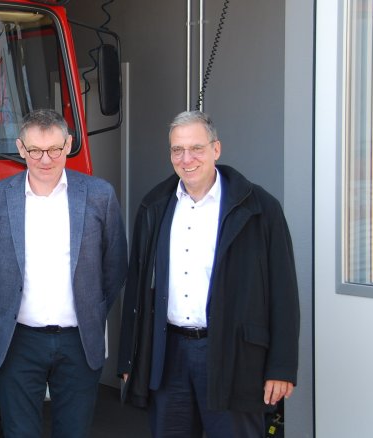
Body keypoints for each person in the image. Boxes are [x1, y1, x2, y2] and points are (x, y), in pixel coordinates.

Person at [117, 110, 300, 437]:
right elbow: (137, 288)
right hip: (169, 355)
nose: (186, 159)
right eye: (177, 150)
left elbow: (284, 293)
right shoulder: (155, 205)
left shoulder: (258, 207)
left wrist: (282, 367)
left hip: (233, 356)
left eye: (196, 148)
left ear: (216, 149)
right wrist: (130, 361)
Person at [0, 109, 128, 438]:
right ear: (21, 148)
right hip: (17, 341)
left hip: (79, 342)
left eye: (55, 149)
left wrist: (90, 308)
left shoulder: (99, 195)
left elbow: (114, 268)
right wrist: (5, 309)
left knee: (74, 431)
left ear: (68, 144)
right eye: (36, 150)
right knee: (19, 432)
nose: (46, 159)